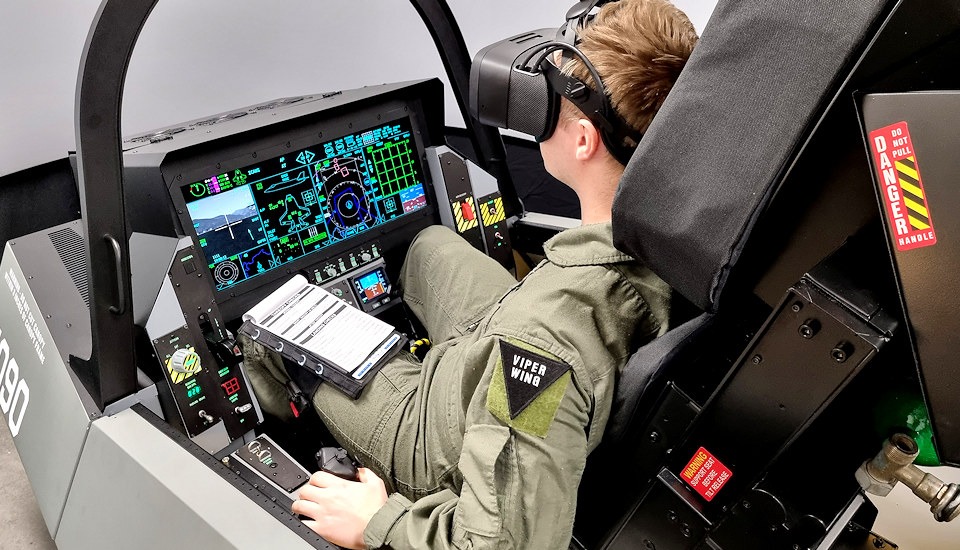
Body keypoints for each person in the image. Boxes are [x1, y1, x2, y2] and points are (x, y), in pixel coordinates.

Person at [241, 1, 697, 547]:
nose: (539, 111)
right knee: (426, 245)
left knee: (271, 329)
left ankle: (281, 433)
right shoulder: (675, 230)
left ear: (583, 141)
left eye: (550, 103)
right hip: (512, 339)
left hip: (435, 428)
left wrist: (376, 525)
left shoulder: (537, 354)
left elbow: (500, 542)